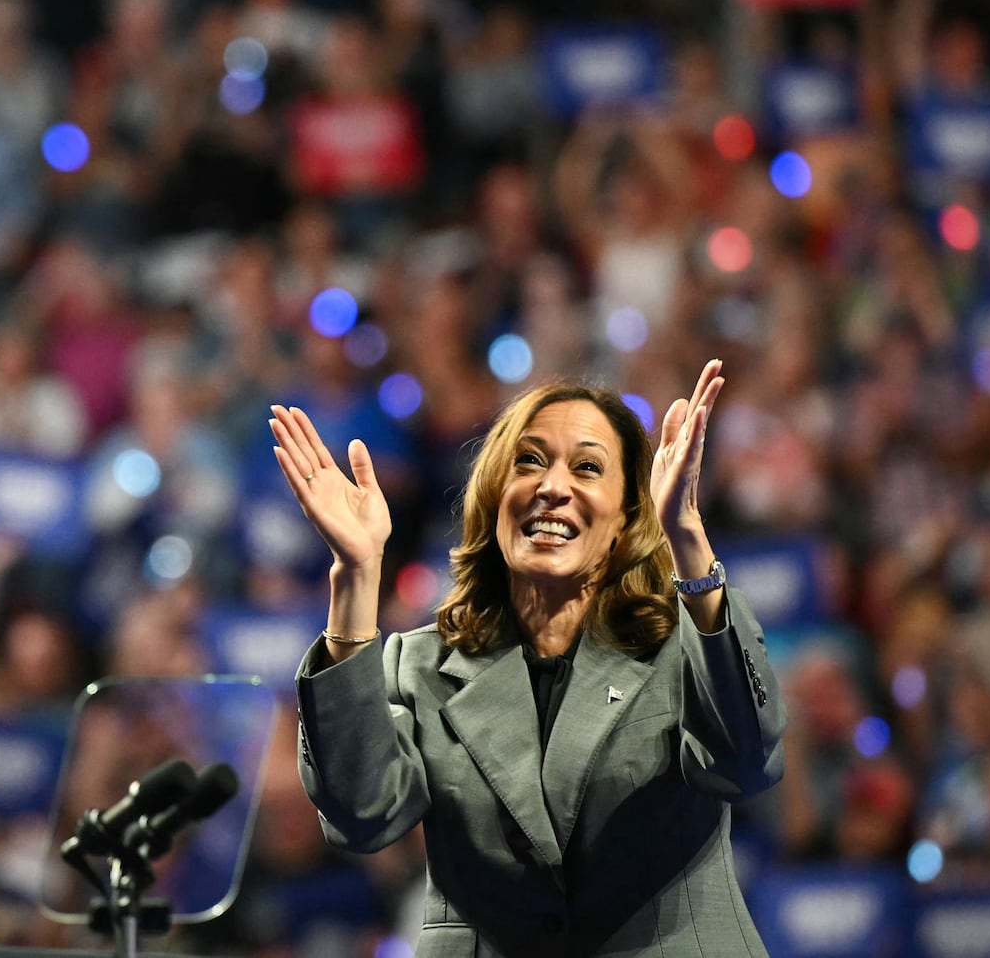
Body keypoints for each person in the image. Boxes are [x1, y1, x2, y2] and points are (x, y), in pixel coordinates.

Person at [269, 359, 787, 957]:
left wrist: (688, 538)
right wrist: (355, 576)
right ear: (495, 501)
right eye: (530, 461)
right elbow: (361, 816)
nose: (553, 485)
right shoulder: (419, 664)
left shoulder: (684, 646)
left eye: (588, 467)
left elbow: (746, 765)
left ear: (624, 520)